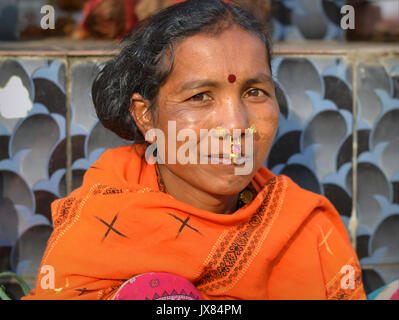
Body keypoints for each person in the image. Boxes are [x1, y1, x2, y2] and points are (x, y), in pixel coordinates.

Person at [23, 0, 367, 300]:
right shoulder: (100, 224)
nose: (234, 125)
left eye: (254, 92)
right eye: (200, 96)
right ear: (145, 115)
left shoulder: (305, 227)